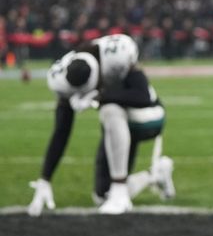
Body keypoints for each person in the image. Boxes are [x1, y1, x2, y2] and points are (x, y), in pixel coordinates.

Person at [28, 34, 176, 216]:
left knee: (110, 109)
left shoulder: (116, 54)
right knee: (102, 195)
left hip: (148, 118)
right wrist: (45, 179)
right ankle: (155, 174)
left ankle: (120, 190)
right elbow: (62, 131)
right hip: (119, 127)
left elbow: (142, 96)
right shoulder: (63, 78)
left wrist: (101, 96)